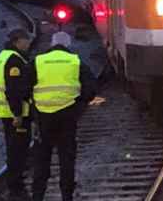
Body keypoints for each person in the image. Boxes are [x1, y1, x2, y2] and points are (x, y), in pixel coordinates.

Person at [30, 32, 97, 201]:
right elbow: (90, 89)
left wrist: (33, 107)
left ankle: (38, 195)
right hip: (67, 115)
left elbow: (23, 87)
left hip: (43, 117)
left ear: (51, 44)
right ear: (68, 45)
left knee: (41, 157)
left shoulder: (38, 61)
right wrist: (78, 104)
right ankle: (66, 196)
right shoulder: (75, 61)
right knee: (66, 158)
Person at [0, 29, 33, 201]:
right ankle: (16, 189)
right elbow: (14, 89)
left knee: (13, 149)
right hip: (15, 114)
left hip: (5, 112)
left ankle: (15, 185)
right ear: (18, 41)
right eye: (26, 40)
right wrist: (17, 114)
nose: (28, 43)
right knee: (18, 151)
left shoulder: (2, 56)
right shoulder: (14, 60)